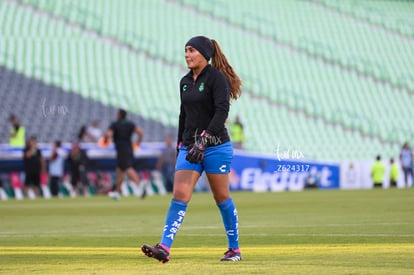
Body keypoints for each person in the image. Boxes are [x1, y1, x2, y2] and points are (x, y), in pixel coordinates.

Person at [141, 36, 243, 263]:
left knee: (222, 197)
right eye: (185, 50)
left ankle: (234, 250)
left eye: (191, 50)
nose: (187, 54)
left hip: (216, 147)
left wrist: (204, 140)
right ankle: (164, 247)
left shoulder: (217, 79)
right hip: (190, 147)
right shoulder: (185, 81)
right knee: (179, 195)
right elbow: (183, 116)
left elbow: (221, 112)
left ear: (204, 54)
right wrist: (181, 147)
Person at [105, 109, 144, 200]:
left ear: (119, 115)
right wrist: (138, 142)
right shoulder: (130, 124)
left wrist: (106, 139)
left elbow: (109, 134)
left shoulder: (115, 124)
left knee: (127, 167)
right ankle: (117, 192)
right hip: (128, 148)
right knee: (120, 170)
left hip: (121, 149)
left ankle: (139, 185)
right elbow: (140, 132)